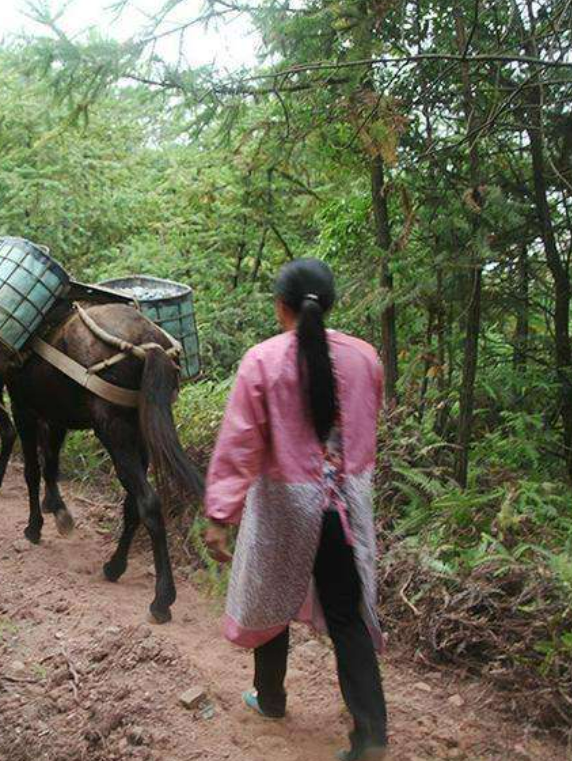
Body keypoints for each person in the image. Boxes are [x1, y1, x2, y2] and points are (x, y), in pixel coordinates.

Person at [203, 258, 388, 761]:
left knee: (270, 601)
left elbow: (241, 442)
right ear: (328, 304)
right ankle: (371, 734)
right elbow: (369, 426)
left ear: (280, 306)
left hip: (285, 506)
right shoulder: (365, 357)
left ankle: (270, 699)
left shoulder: (262, 361)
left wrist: (221, 514)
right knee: (348, 617)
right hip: (344, 507)